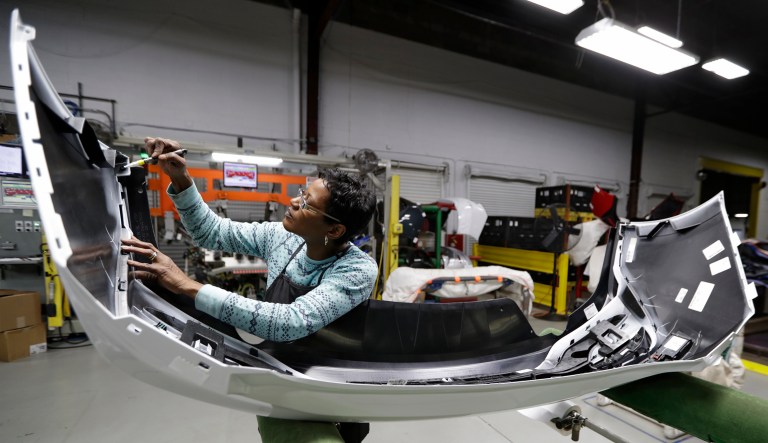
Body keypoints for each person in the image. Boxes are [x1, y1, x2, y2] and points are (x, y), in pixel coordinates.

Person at [121, 137, 378, 442]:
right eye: (301, 194)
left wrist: (187, 285)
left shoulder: (357, 269)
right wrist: (180, 177)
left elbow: (290, 322)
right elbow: (211, 232)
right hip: (280, 378)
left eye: (307, 203)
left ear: (334, 230)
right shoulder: (281, 237)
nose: (294, 202)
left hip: (332, 391)